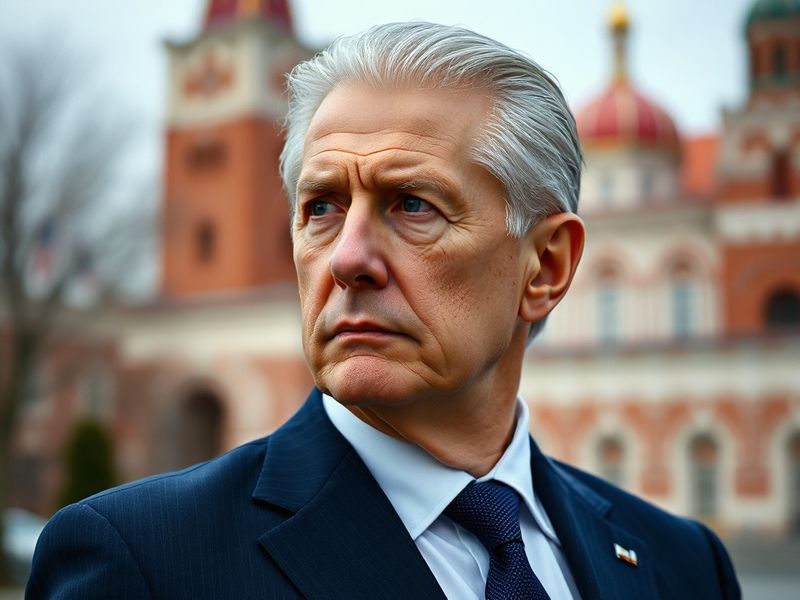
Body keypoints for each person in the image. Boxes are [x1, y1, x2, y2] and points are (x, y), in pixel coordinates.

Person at [27, 22, 740, 599]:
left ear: (546, 267)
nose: (347, 258)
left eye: (413, 205)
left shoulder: (681, 566)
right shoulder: (145, 564)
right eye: (321, 208)